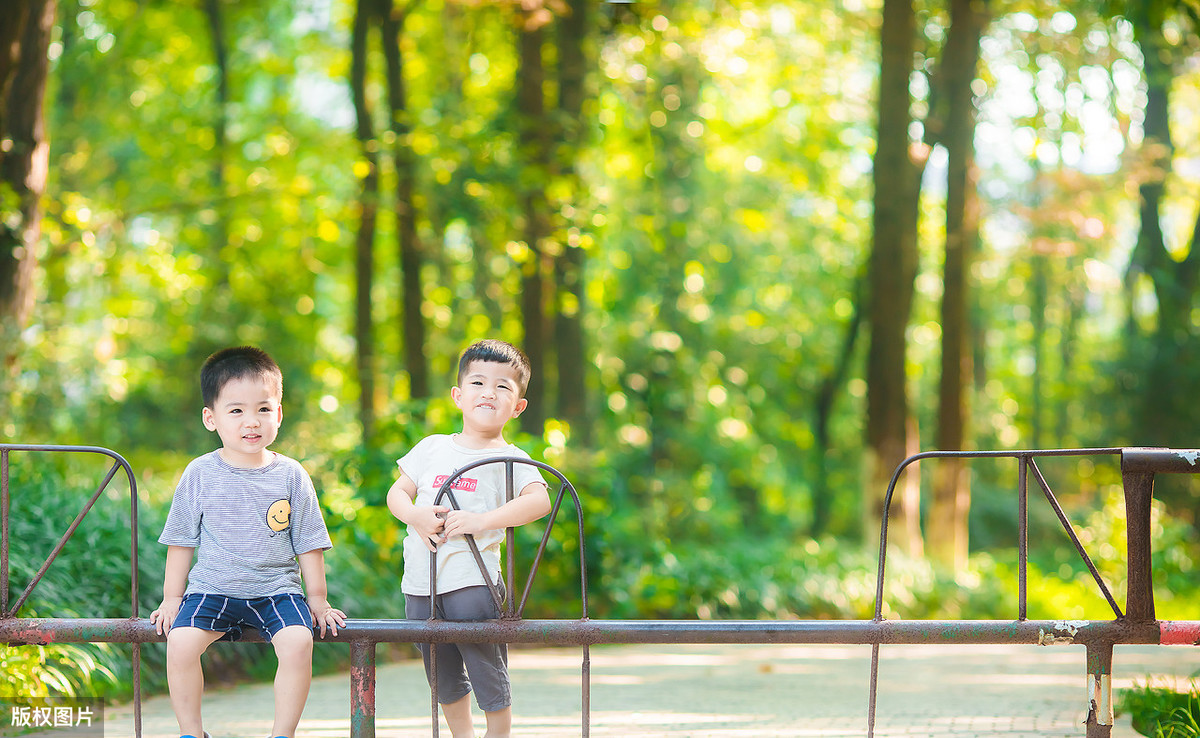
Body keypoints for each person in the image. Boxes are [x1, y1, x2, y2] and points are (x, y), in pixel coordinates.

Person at [149, 346, 346, 738]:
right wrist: (172, 598)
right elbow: (181, 541)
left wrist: (318, 599)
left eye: (263, 409)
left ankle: (282, 733)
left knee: (297, 641)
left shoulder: (291, 475)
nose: (251, 421)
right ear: (211, 417)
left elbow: (308, 541)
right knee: (181, 644)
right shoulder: (200, 473)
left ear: (279, 413)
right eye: (236, 410)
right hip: (213, 587)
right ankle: (192, 731)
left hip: (277, 591)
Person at [387, 339, 552, 738]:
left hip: (473, 581)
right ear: (459, 396)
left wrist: (483, 520)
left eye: (503, 387)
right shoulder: (432, 448)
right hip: (421, 582)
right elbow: (397, 494)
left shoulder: (511, 457)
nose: (488, 393)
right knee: (440, 673)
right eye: (478, 383)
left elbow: (540, 501)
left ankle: (498, 734)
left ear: (518, 406)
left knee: (485, 667)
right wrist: (415, 516)